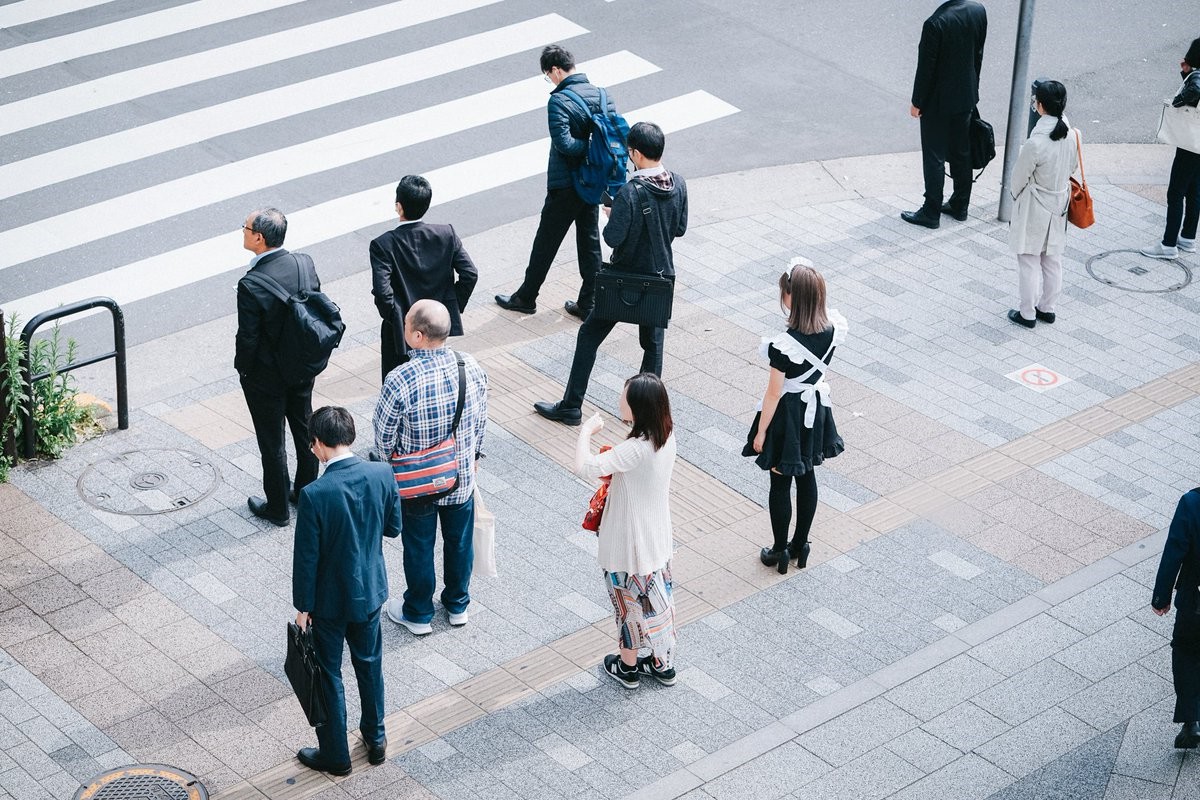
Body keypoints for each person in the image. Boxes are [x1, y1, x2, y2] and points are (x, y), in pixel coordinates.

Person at [533, 122, 688, 425]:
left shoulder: (631, 192)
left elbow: (613, 238)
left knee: (589, 335)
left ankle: (571, 405)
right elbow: (679, 228)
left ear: (636, 154)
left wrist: (614, 213)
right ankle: (647, 415)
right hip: (659, 278)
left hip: (624, 280)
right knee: (653, 347)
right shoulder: (679, 183)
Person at [292, 406, 400, 776]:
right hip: (369, 591)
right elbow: (394, 528)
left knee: (329, 673)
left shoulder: (315, 494)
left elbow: (306, 559)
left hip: (329, 601)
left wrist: (303, 606)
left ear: (319, 444)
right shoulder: (382, 473)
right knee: (370, 666)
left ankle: (336, 755)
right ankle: (376, 739)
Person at [373, 300, 488, 635]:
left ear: (418, 336)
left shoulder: (400, 379)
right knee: (459, 542)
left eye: (407, 324)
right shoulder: (470, 366)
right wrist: (474, 456)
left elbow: (383, 439)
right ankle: (457, 605)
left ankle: (419, 612)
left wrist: (388, 467)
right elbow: (481, 420)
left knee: (419, 546)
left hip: (415, 483)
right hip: (460, 477)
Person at [495, 44, 616, 319]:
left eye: (548, 75)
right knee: (589, 241)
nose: (549, 80)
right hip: (592, 181)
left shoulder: (559, 101)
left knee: (546, 242)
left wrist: (586, 147)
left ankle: (526, 297)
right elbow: (611, 137)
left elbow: (564, 144)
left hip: (566, 185)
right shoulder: (602, 94)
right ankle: (589, 302)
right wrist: (595, 152)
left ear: (556, 70)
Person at [743, 260, 846, 575]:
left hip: (787, 414)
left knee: (780, 480)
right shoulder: (832, 329)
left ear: (792, 298)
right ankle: (800, 544)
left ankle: (778, 550)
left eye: (784, 292)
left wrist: (760, 433)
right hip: (815, 410)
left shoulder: (785, 346)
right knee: (807, 475)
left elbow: (773, 394)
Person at [576, 374, 677, 689]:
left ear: (639, 408)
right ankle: (662, 663)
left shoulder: (636, 449)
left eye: (625, 397)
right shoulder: (667, 435)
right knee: (657, 601)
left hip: (628, 544)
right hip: (656, 539)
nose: (620, 399)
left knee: (627, 605)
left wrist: (584, 432)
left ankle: (628, 666)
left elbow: (584, 466)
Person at [235, 207, 321, 527]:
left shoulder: (251, 284)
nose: (242, 232)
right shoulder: (304, 263)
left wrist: (243, 370)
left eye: (244, 228)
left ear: (258, 238)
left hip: (267, 378)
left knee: (272, 442)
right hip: (302, 368)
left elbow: (248, 339)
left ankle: (277, 508)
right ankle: (306, 493)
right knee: (304, 430)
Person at [370, 175, 478, 382]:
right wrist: (448, 310)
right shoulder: (446, 234)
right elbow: (470, 274)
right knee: (434, 380)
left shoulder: (383, 244)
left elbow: (383, 293)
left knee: (396, 383)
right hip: (436, 327)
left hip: (401, 332)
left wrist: (396, 318)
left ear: (398, 207)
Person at [901, 0, 988, 229]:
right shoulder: (978, 10)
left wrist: (917, 102)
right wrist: (973, 89)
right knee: (962, 151)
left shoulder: (935, 23)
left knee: (934, 156)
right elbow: (978, 53)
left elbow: (926, 69)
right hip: (966, 96)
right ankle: (960, 205)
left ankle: (931, 212)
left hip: (938, 102)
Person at [1005, 80, 1078, 329]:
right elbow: (1073, 167)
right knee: (1052, 259)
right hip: (1059, 203)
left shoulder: (1035, 143)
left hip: (1035, 204)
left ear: (1040, 106)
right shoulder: (1072, 134)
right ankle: (1047, 308)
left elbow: (1018, 179)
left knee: (1028, 259)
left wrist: (1017, 197)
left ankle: (1027, 313)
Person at [1141, 38, 1200, 260]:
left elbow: (1187, 96)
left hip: (1190, 145)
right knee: (1194, 190)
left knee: (1175, 192)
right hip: (1199, 146)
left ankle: (1168, 245)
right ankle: (1187, 237)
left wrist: (1186, 79)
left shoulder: (1197, 78)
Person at [1152, 488, 1200, 750]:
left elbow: (1174, 551)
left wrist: (1161, 596)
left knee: (1186, 653)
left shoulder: (1192, 502)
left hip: (1195, 602)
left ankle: (1192, 721)